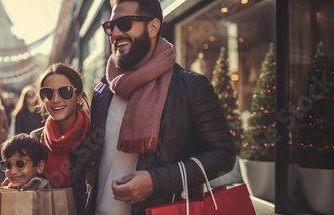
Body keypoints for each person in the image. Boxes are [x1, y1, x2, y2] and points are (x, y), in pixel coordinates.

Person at [76, 0, 236, 214]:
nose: (114, 34)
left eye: (123, 23)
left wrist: (156, 181)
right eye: (110, 26)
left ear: (153, 27)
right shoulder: (103, 91)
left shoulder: (192, 87)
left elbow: (223, 155)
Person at [30, 63, 91, 191]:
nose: (56, 99)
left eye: (65, 91)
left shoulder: (96, 135)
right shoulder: (35, 140)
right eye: (48, 93)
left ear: (79, 96)